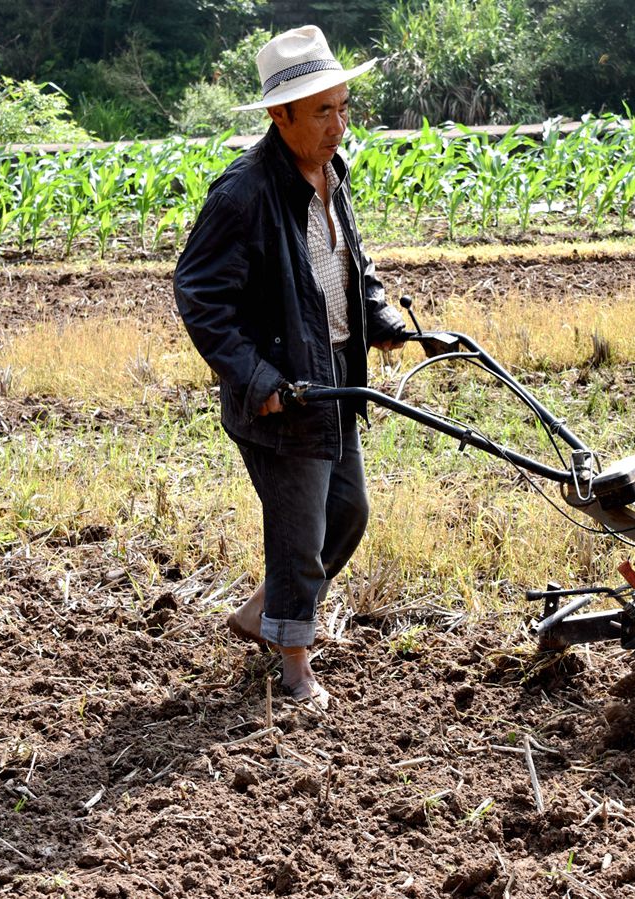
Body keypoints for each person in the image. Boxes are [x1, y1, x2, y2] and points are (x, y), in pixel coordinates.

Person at [173, 25, 407, 708]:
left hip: (334, 372)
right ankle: (294, 663)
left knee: (348, 512)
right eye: (323, 111)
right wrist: (256, 379)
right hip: (284, 387)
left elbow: (350, 266)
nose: (339, 125)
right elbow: (200, 295)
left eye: (343, 107)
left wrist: (383, 319)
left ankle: (266, 615)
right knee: (299, 531)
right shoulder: (243, 193)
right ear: (281, 116)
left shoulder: (331, 173)